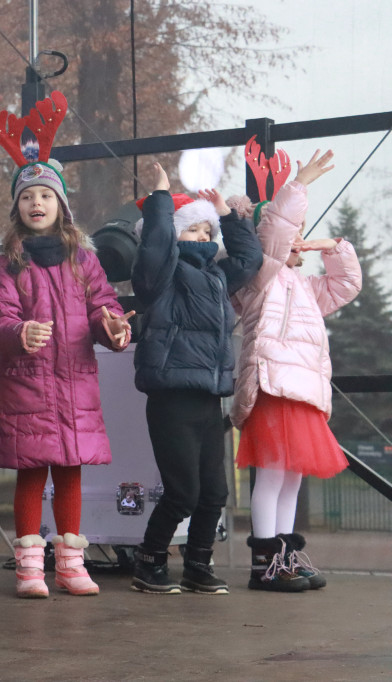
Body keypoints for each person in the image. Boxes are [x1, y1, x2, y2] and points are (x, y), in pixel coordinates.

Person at [0, 158, 133, 599]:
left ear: (61, 205)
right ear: (17, 208)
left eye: (46, 195)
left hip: (74, 384)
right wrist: (19, 332)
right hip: (27, 383)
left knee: (70, 469)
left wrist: (114, 328)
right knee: (32, 472)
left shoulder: (84, 260)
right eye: (27, 196)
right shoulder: (5, 262)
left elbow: (103, 307)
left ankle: (70, 566)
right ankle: (30, 569)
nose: (37, 202)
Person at [228, 150, 361, 592]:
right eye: (293, 232)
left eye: (302, 232)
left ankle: (283, 559)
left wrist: (331, 246)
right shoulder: (260, 278)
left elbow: (347, 284)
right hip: (273, 386)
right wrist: (299, 183)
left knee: (291, 478)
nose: (297, 238)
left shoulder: (306, 288)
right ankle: (263, 565)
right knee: (272, 474)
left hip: (302, 391)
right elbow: (277, 231)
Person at [129, 162, 263, 595]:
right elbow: (155, 249)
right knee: (182, 492)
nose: (204, 238)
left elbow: (250, 259)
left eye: (208, 232)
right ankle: (149, 561)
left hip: (209, 397)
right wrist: (161, 198)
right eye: (193, 230)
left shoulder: (218, 277)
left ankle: (198, 565)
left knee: (214, 493)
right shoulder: (161, 277)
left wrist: (227, 216)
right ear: (174, 233)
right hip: (171, 397)